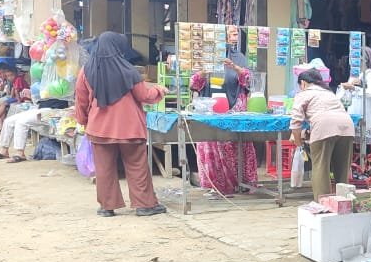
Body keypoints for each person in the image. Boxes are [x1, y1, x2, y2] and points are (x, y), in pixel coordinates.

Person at [75, 31, 168, 217]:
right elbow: (144, 95)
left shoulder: (86, 71)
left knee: (104, 169)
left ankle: (107, 207)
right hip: (130, 128)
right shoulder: (128, 70)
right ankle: (144, 205)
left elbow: (81, 101)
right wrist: (159, 90)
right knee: (137, 166)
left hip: (99, 128)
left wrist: (84, 122)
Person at [189, 52, 258, 195]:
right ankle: (216, 185)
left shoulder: (239, 58)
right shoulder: (203, 55)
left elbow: (250, 81)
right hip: (209, 110)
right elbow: (194, 83)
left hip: (234, 111)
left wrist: (234, 67)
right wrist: (206, 70)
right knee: (212, 145)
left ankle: (241, 183)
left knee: (236, 146)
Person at [290, 69, 355, 199]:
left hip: (324, 128)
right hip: (347, 128)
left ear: (303, 83)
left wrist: (298, 142)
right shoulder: (329, 93)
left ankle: (323, 204)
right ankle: (345, 202)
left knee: (321, 169)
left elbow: (296, 122)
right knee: (342, 171)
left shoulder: (303, 94)